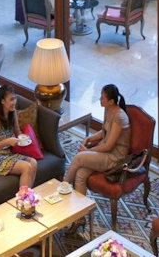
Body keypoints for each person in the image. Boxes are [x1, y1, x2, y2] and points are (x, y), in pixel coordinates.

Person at [62, 84, 130, 233]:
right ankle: (80, 217)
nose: (100, 99)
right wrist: (89, 138)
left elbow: (109, 146)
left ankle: (61, 188)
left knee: (80, 158)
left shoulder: (119, 116)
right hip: (105, 152)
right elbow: (104, 131)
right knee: (80, 175)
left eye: (102, 97)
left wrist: (89, 150)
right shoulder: (108, 110)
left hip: (114, 158)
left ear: (111, 101)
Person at [0, 85, 37, 188]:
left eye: (15, 98)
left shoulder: (12, 112)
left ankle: (29, 196)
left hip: (7, 153)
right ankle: (24, 201)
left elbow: (17, 131)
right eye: (11, 99)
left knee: (33, 162)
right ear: (2, 101)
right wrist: (7, 142)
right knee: (26, 167)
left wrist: (23, 138)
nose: (14, 102)